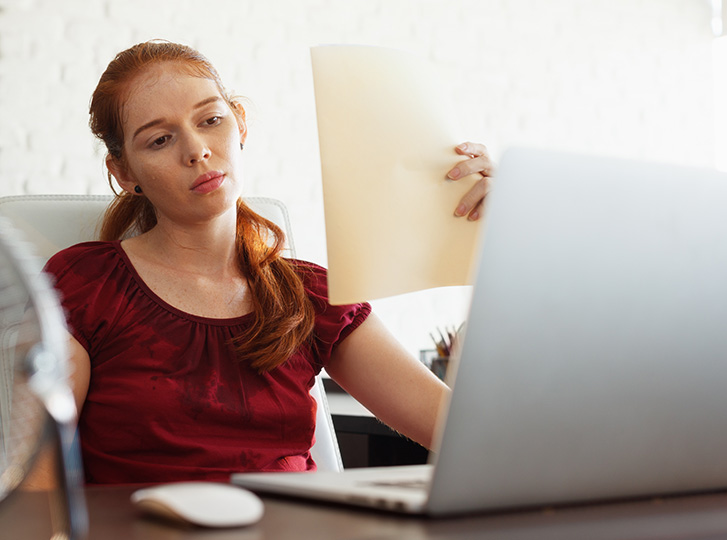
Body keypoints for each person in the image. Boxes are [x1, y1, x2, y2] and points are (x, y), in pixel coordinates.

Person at [43, 40, 492, 484]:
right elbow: (34, 485)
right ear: (124, 173)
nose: (197, 149)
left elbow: (471, 437)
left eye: (211, 120)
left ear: (239, 124)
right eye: (160, 140)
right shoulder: (84, 285)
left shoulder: (312, 295)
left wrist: (511, 229)